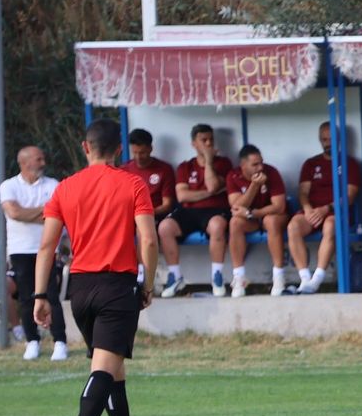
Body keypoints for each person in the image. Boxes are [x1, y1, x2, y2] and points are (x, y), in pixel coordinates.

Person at [32, 118, 157, 416]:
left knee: (113, 370)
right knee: (103, 368)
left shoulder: (65, 188)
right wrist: (148, 284)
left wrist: (41, 295)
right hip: (117, 286)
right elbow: (147, 239)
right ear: (119, 149)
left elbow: (46, 247)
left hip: (80, 288)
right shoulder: (133, 183)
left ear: (85, 147)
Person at [0, 146, 66, 360]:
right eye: (39, 159)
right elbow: (14, 212)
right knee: (27, 298)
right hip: (20, 250)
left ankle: (60, 342)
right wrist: (45, 209)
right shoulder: (8, 186)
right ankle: (33, 341)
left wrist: (36, 213)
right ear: (24, 162)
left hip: (47, 249)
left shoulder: (53, 185)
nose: (43, 163)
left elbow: (58, 214)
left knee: (52, 296)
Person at [158, 123, 233, 298]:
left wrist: (208, 161)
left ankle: (217, 275)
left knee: (217, 226)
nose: (208, 144)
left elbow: (213, 184)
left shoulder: (223, 163)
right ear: (194, 144)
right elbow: (183, 196)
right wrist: (209, 192)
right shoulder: (185, 166)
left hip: (216, 209)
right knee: (164, 227)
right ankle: (175, 276)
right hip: (189, 212)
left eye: (211, 140)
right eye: (203, 140)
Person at [288, 121, 362, 294]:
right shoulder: (311, 163)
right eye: (324, 139)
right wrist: (307, 209)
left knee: (330, 225)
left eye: (331, 138)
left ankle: (317, 279)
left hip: (335, 212)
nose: (328, 142)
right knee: (293, 226)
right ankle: (305, 278)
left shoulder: (349, 163)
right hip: (312, 212)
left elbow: (350, 196)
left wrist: (326, 208)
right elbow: (303, 192)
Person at [225, 145, 290, 296]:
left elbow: (279, 206)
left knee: (271, 221)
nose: (260, 167)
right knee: (235, 223)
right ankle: (239, 278)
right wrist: (254, 186)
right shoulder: (233, 176)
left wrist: (252, 213)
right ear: (243, 166)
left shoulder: (271, 172)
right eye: (255, 164)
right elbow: (236, 207)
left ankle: (279, 277)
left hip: (270, 216)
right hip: (250, 219)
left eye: (261, 162)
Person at [119, 129, 177, 222]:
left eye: (142, 153)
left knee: (142, 227)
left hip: (154, 216)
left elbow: (167, 205)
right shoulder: (124, 170)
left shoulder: (164, 169)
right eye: (135, 152)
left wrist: (143, 214)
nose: (138, 157)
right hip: (129, 217)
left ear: (150, 148)